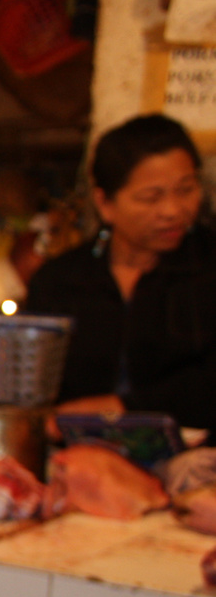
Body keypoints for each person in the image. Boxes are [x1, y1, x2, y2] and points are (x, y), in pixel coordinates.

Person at [24, 113, 216, 430]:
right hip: (77, 459)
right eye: (151, 197)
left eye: (186, 189)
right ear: (105, 203)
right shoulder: (60, 281)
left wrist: (119, 409)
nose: (173, 211)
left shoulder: (208, 267)